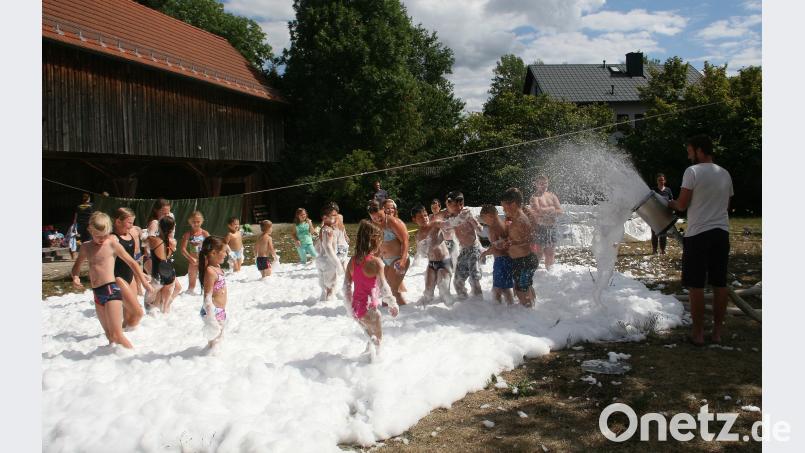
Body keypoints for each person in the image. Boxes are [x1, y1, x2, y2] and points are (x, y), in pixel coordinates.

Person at [668, 134, 733, 346]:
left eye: (690, 151)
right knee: (719, 284)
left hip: (698, 234)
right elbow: (726, 205)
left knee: (696, 286)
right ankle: (717, 333)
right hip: (721, 233)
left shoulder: (692, 171)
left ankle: (698, 335)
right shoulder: (724, 173)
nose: (689, 156)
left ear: (699, 150)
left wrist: (670, 203)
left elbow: (682, 205)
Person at [71, 212, 153, 349]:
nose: (102, 239)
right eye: (98, 236)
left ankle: (132, 355)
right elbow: (76, 266)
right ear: (90, 230)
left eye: (105, 235)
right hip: (97, 293)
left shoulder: (112, 244)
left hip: (111, 291)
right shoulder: (86, 247)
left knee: (117, 335)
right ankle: (115, 360)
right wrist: (75, 277)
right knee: (110, 336)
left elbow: (132, 262)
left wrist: (144, 282)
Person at [342, 220, 399, 360]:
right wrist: (392, 303)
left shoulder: (352, 261)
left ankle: (367, 357)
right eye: (380, 239)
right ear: (374, 239)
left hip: (356, 309)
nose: (381, 242)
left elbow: (346, 287)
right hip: (370, 310)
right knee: (378, 340)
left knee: (370, 337)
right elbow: (384, 287)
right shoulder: (376, 262)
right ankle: (376, 363)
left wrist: (350, 309)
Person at [368, 200, 410, 306]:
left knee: (392, 291)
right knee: (385, 292)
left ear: (383, 209)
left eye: (379, 216)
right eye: (374, 218)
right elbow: (377, 244)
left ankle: (405, 311)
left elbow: (405, 241)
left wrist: (403, 260)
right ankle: (387, 313)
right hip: (385, 261)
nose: (377, 219)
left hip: (398, 259)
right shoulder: (374, 224)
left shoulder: (393, 222)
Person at [502, 188, 538, 307]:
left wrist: (511, 243)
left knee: (520, 289)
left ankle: (528, 310)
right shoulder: (513, 218)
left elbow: (529, 240)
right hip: (523, 260)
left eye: (504, 206)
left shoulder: (520, 220)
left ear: (512, 204)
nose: (503, 209)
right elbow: (508, 232)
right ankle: (532, 307)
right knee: (526, 286)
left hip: (524, 261)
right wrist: (509, 240)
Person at [443, 191, 483, 299]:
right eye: (455, 205)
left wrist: (476, 223)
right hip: (463, 251)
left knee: (474, 279)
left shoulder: (466, 214)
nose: (459, 207)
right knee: (457, 281)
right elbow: (446, 230)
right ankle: (464, 301)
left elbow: (479, 228)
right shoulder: (450, 218)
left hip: (474, 249)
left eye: (461, 204)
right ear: (448, 205)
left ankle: (480, 303)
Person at [412, 205, 452, 304]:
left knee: (444, 291)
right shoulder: (418, 234)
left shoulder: (435, 224)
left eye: (425, 215)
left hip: (444, 261)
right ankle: (426, 304)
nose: (424, 218)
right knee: (428, 292)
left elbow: (446, 224)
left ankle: (450, 307)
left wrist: (451, 220)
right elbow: (421, 252)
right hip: (431, 264)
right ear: (414, 220)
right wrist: (422, 250)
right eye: (420, 217)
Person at [198, 236, 229, 350]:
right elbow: (207, 297)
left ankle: (212, 356)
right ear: (214, 253)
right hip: (212, 311)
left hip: (219, 310)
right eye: (224, 251)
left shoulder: (217, 267)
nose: (226, 254)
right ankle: (211, 357)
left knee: (218, 340)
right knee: (215, 341)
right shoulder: (210, 271)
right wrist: (211, 318)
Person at [479, 205, 514, 304]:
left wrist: (485, 253)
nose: (484, 222)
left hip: (501, 261)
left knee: (497, 288)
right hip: (508, 259)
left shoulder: (493, 228)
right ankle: (510, 306)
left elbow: (495, 248)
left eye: (484, 218)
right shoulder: (503, 223)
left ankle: (497, 308)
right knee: (505, 287)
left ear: (489, 215)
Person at [147, 215, 182, 313]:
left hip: (158, 274)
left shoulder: (154, 240)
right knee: (165, 308)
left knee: (151, 307)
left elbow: (146, 238)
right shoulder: (173, 242)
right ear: (172, 229)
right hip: (170, 273)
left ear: (159, 227)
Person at [528, 175, 563, 269]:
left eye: (545, 183)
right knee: (538, 252)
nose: (543, 185)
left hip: (552, 227)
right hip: (539, 227)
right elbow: (537, 211)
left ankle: (549, 272)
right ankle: (533, 271)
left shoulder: (552, 195)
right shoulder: (534, 197)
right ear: (536, 184)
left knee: (550, 253)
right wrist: (552, 209)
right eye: (541, 183)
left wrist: (547, 210)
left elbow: (560, 211)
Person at [111, 208, 142, 307]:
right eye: (129, 223)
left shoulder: (129, 234)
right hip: (117, 276)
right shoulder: (113, 238)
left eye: (133, 222)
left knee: (133, 307)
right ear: (118, 222)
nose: (132, 226)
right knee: (131, 307)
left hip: (129, 275)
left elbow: (133, 255)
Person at [316, 205, 343, 300]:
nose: (336, 217)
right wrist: (337, 263)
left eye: (336, 215)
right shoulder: (328, 230)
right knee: (331, 287)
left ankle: (323, 300)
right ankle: (327, 303)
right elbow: (327, 247)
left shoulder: (323, 228)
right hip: (328, 261)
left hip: (321, 259)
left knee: (324, 286)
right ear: (325, 217)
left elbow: (317, 246)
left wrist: (320, 256)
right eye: (334, 215)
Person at [180, 211, 210, 294]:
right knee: (191, 282)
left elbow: (211, 246)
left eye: (198, 222)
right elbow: (183, 249)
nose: (196, 224)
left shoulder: (205, 233)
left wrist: (208, 257)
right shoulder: (188, 234)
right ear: (190, 222)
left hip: (204, 260)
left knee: (205, 279)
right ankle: (190, 293)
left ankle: (205, 293)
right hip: (193, 261)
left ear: (202, 221)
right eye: (194, 222)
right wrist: (190, 258)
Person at [651, 173, 674, 255]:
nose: (661, 181)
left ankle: (663, 250)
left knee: (663, 233)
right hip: (655, 215)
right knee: (654, 233)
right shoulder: (653, 190)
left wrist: (671, 210)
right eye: (659, 180)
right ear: (657, 181)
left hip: (665, 214)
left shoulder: (668, 190)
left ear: (665, 181)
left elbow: (671, 200)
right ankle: (654, 250)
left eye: (662, 180)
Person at [328, 202, 350, 268]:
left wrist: (346, 235)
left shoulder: (339, 217)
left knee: (341, 260)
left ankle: (343, 270)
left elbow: (342, 227)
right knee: (339, 260)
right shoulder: (328, 218)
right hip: (337, 242)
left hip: (340, 243)